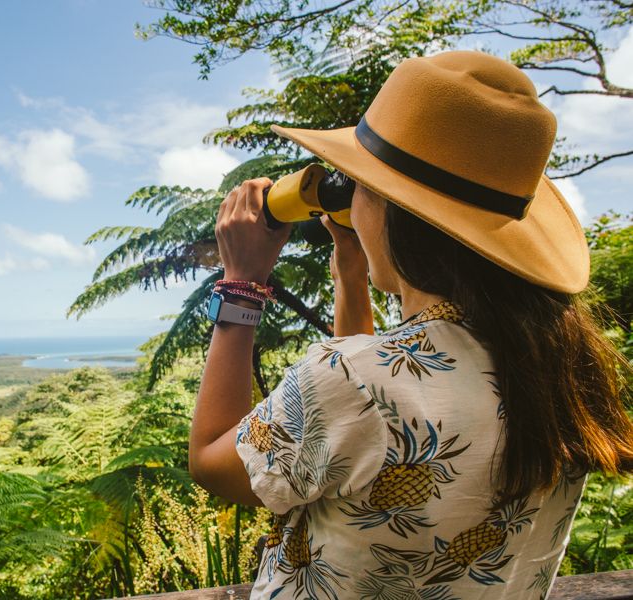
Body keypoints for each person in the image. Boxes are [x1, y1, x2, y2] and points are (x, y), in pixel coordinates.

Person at [188, 50, 633, 599]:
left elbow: (212, 458)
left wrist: (242, 283)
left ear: (392, 210)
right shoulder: (561, 367)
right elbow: (386, 397)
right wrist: (351, 274)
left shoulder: (349, 379)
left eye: (364, 186)